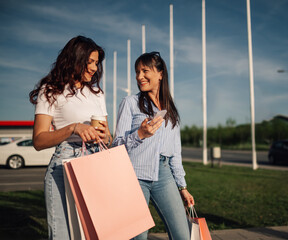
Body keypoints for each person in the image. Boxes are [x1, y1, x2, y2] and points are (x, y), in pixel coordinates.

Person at [29, 35, 112, 240]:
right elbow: (38, 141)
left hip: (95, 162)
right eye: (90, 62)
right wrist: (73, 128)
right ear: (75, 58)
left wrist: (105, 135)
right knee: (62, 235)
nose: (94, 68)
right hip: (63, 164)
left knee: (97, 233)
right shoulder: (50, 90)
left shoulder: (97, 93)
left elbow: (108, 138)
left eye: (96, 63)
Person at [113, 52, 194, 240]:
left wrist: (182, 187)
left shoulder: (171, 110)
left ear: (160, 73)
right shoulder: (130, 103)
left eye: (144, 71)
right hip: (135, 176)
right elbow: (116, 147)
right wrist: (140, 134)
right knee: (139, 237)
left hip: (164, 176)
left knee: (183, 236)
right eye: (137, 72)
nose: (139, 76)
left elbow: (175, 153)